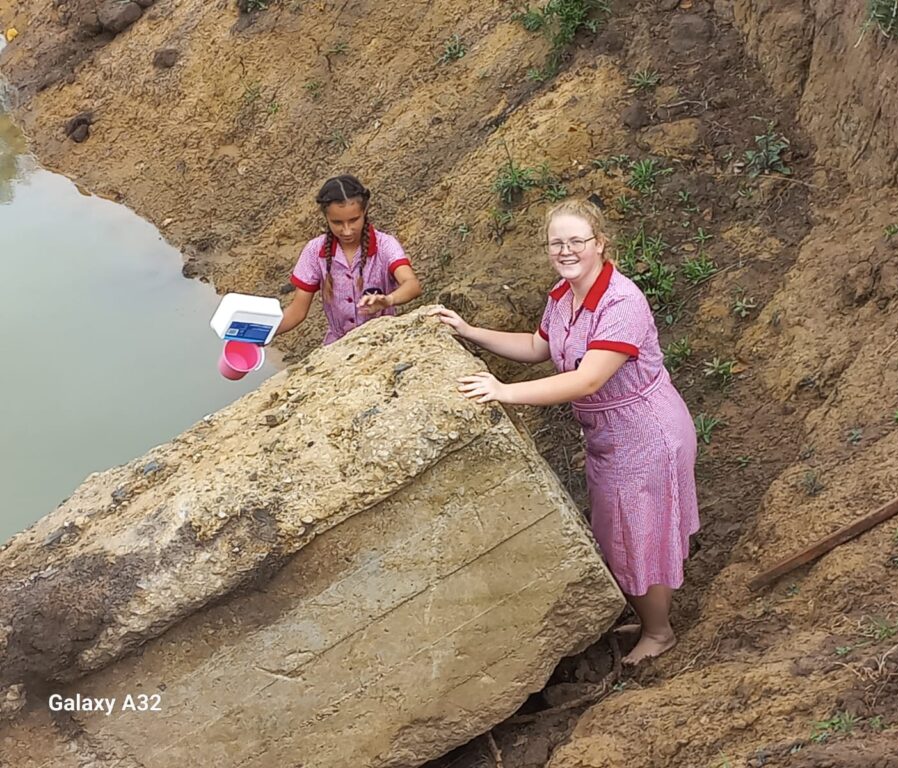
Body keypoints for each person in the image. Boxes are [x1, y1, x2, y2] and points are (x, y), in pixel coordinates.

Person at [429, 198, 700, 665]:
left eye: (577, 241)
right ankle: (645, 610)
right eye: (557, 243)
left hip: (646, 433)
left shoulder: (621, 303)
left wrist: (504, 392)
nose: (566, 250)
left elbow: (589, 378)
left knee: (639, 532)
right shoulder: (563, 295)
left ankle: (659, 633)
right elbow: (539, 347)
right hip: (608, 435)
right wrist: (471, 331)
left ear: (600, 244)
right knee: (617, 529)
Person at [276, 174, 422, 345]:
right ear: (326, 218)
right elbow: (297, 311)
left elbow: (412, 285)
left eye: (353, 220)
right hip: (337, 346)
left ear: (364, 211)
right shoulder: (315, 251)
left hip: (383, 341)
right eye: (337, 222)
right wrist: (259, 335)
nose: (346, 231)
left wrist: (388, 300)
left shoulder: (385, 245)